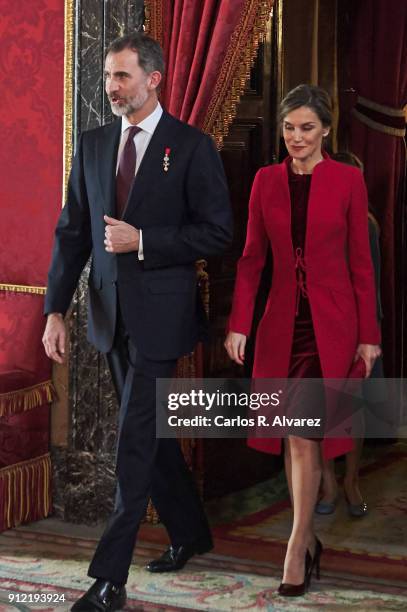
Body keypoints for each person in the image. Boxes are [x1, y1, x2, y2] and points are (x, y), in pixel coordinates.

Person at [43, 33, 232, 612]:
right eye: (107, 76)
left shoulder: (191, 147)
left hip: (162, 319)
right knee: (151, 432)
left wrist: (144, 240)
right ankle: (191, 532)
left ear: (154, 79)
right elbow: (73, 232)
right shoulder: (95, 144)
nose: (111, 87)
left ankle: (109, 580)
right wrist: (53, 309)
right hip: (106, 314)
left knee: (131, 439)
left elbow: (219, 233)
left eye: (122, 76)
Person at [224, 84, 381, 596]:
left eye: (306, 128)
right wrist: (239, 323)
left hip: (333, 327)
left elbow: (362, 264)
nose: (295, 137)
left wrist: (370, 336)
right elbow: (251, 261)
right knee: (294, 434)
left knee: (308, 431)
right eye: (289, 128)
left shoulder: (348, 181)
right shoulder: (265, 181)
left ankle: (295, 546)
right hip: (281, 326)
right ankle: (307, 538)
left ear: (326, 130)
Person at [315, 151, 384, 518]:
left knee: (350, 409)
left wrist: (368, 336)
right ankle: (327, 484)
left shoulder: (367, 225)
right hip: (314, 326)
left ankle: (351, 482)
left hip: (355, 330)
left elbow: (368, 283)